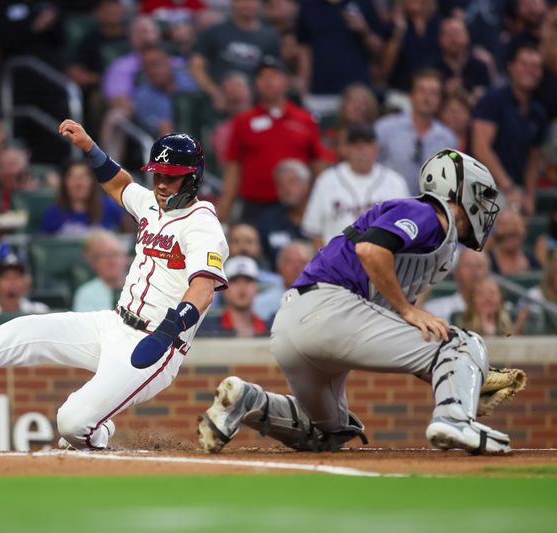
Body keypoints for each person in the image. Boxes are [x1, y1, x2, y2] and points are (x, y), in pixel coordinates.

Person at [0, 122, 229, 450]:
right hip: (113, 323)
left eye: (172, 177)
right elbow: (119, 184)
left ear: (193, 179)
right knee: (25, 329)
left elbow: (202, 289)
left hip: (156, 343)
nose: (161, 183)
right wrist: (90, 148)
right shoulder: (153, 202)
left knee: (70, 422)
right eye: (157, 174)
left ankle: (93, 428)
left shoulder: (203, 226)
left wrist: (169, 331)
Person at [199, 148, 514, 455]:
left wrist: (459, 381)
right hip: (331, 308)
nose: (486, 205)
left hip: (293, 325)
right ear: (459, 189)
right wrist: (415, 316)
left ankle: (248, 400)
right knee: (461, 342)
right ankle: (455, 420)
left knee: (329, 432)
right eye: (482, 194)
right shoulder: (427, 211)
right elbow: (370, 250)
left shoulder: (436, 245)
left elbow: (413, 342)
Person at [218, 56, 331, 224]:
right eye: (262, 76)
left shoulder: (305, 120)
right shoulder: (243, 122)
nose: (268, 81)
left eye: (274, 75)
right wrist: (224, 208)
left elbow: (318, 164)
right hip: (254, 206)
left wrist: (316, 201)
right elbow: (233, 169)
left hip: (296, 206)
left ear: (286, 81)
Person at [302, 124, 410, 249]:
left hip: (384, 262)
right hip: (337, 263)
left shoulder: (395, 181)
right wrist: (327, 264)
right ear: (346, 150)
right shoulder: (326, 181)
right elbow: (314, 232)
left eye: (366, 144)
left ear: (376, 149)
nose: (361, 150)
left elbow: (406, 229)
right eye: (356, 145)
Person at [472, 44, 547, 215]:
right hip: (483, 187)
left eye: (535, 66)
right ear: (511, 67)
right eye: (524, 64)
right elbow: (481, 148)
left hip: (516, 192)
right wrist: (508, 188)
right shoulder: (492, 100)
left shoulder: (538, 112)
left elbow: (533, 159)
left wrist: (529, 195)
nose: (530, 71)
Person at [295, 0, 386, 116]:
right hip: (319, 92)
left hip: (357, 92)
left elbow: (379, 50)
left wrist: (364, 30)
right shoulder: (308, 5)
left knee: (358, 133)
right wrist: (304, 88)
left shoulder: (364, 3)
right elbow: (304, 50)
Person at [376, 69, 457, 194]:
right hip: (388, 203)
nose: (427, 98)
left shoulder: (447, 138)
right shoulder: (385, 128)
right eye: (422, 91)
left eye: (433, 93)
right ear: (410, 95)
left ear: (440, 100)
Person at [190, 0, 280, 110]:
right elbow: (196, 65)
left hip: (255, 105)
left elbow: (273, 73)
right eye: (240, 1)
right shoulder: (214, 32)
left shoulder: (270, 37)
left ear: (259, 3)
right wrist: (214, 92)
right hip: (217, 104)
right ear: (232, 3)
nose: (246, 4)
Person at [40, 160, 125, 235]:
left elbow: (128, 239)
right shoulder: (53, 214)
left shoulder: (110, 207)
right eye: (72, 178)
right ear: (64, 184)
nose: (78, 183)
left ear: (93, 182)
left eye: (83, 177)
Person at [253, 159, 311, 268]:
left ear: (306, 184)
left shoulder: (322, 215)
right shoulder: (267, 222)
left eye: (292, 182)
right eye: (280, 185)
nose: (286, 189)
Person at [132, 45, 198, 137]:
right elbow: (158, 128)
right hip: (169, 142)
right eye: (147, 67)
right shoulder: (142, 96)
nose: (153, 71)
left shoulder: (186, 78)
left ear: (168, 62)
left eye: (157, 64)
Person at [198, 256, 269, 337]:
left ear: (256, 288)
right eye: (235, 282)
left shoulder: (271, 330)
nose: (242, 288)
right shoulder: (206, 330)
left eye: (248, 281)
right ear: (224, 289)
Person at [383, 0, 442, 92]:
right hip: (402, 88)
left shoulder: (437, 24)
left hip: (432, 87)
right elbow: (385, 67)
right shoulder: (393, 25)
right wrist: (398, 32)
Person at [435, 16, 491, 103]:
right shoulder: (433, 68)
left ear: (467, 36)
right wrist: (443, 92)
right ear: (440, 40)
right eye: (448, 35)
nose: (453, 40)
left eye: (457, 34)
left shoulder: (480, 67)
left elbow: (488, 97)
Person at [424, 249, 491, 321]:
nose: (474, 272)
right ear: (456, 273)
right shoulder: (436, 310)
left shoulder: (500, 310)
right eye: (468, 265)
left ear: (489, 272)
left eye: (479, 266)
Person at [253, 241, 314, 321]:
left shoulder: (323, 300)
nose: (296, 267)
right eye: (290, 262)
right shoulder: (261, 303)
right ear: (279, 267)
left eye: (302, 262)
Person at [72, 230, 129, 312]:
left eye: (116, 254)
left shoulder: (142, 288)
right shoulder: (86, 294)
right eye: (106, 255)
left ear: (126, 258)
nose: (112, 261)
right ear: (94, 263)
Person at [487, 208, 541, 275]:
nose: (509, 231)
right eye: (505, 235)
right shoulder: (487, 262)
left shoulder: (531, 260)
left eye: (514, 234)